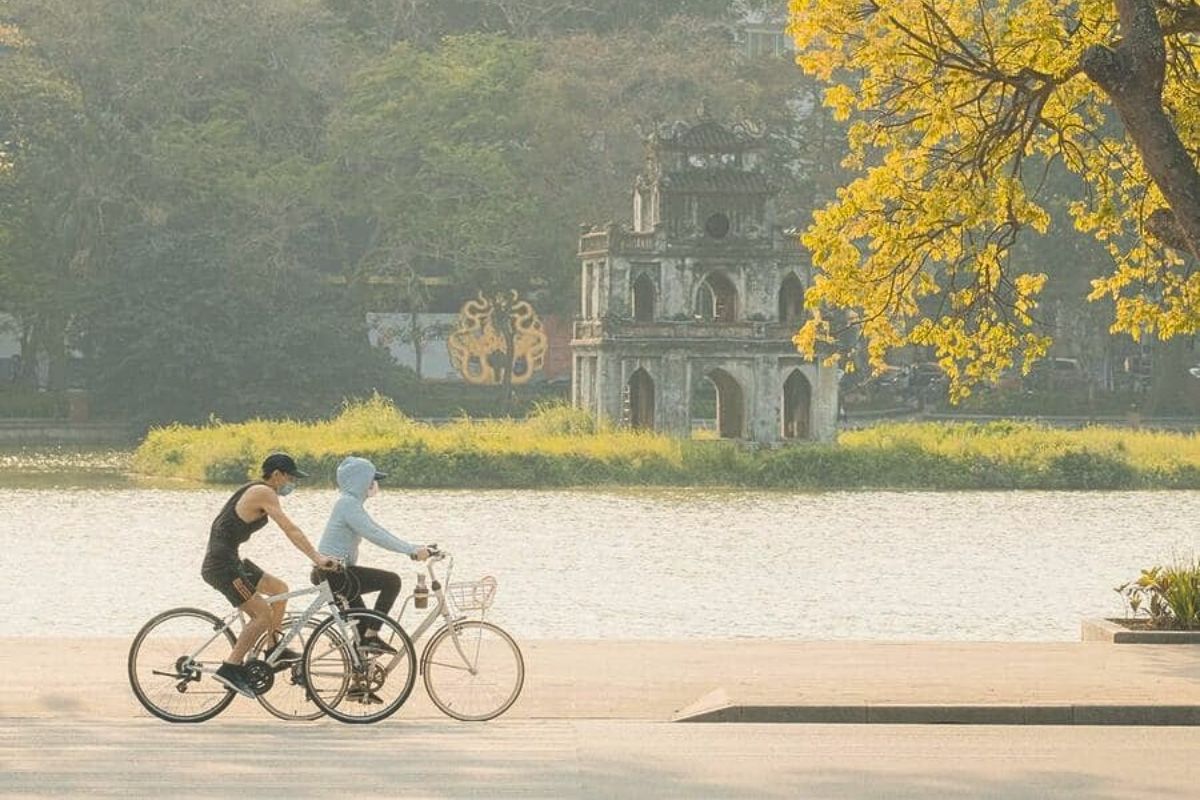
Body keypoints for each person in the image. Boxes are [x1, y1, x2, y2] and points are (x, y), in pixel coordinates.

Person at [201, 452, 336, 698]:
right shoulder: (264, 493)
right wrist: (316, 557)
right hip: (221, 566)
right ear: (276, 475)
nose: (292, 483)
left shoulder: (260, 491)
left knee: (280, 590)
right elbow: (290, 529)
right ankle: (230, 668)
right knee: (262, 614)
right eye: (290, 478)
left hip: (232, 559)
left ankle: (275, 648)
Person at [313, 456, 430, 654]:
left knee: (363, 627)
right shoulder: (348, 505)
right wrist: (410, 550)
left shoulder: (349, 504)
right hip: (335, 574)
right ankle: (373, 636)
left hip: (336, 574)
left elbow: (377, 530)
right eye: (371, 479)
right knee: (392, 582)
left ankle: (359, 675)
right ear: (360, 481)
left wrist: (414, 546)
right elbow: (375, 534)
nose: (374, 484)